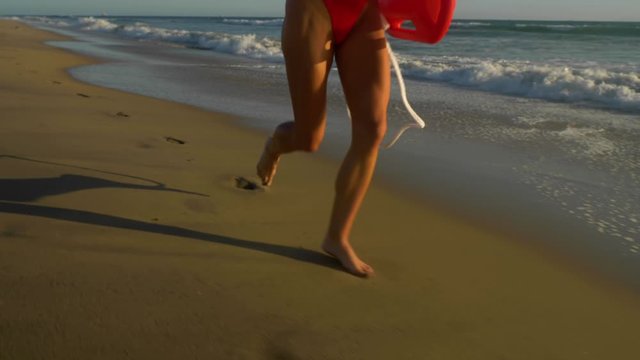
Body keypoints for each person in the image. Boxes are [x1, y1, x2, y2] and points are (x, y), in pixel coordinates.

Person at [257, 0, 389, 277]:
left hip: (365, 10)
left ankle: (337, 238)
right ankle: (277, 144)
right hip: (314, 7)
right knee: (309, 138)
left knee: (373, 128)